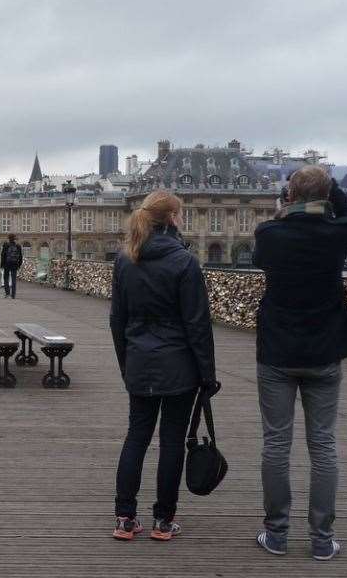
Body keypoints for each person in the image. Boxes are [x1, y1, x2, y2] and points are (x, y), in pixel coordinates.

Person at [253, 165, 347, 561]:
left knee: (276, 444)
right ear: (326, 196)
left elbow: (262, 256)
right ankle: (321, 538)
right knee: (324, 446)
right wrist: (333, 189)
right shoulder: (339, 235)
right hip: (324, 350)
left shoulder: (270, 234)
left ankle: (277, 533)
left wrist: (288, 206)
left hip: (278, 350)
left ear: (291, 195)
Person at [109, 190, 217, 542]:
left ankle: (125, 518)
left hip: (140, 360)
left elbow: (117, 320)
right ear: (172, 218)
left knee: (136, 437)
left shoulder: (126, 259)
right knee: (171, 442)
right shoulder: (185, 262)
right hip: (179, 366)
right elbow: (198, 325)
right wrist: (207, 375)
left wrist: (127, 363)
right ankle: (163, 521)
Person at [0, 233, 23, 299]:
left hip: (7, 264)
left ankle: (7, 293)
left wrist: (2, 264)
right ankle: (13, 295)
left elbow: (3, 255)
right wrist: (19, 264)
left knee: (6, 279)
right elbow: (21, 256)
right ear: (14, 238)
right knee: (13, 280)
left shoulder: (6, 245)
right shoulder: (18, 245)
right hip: (15, 264)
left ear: (9, 238)